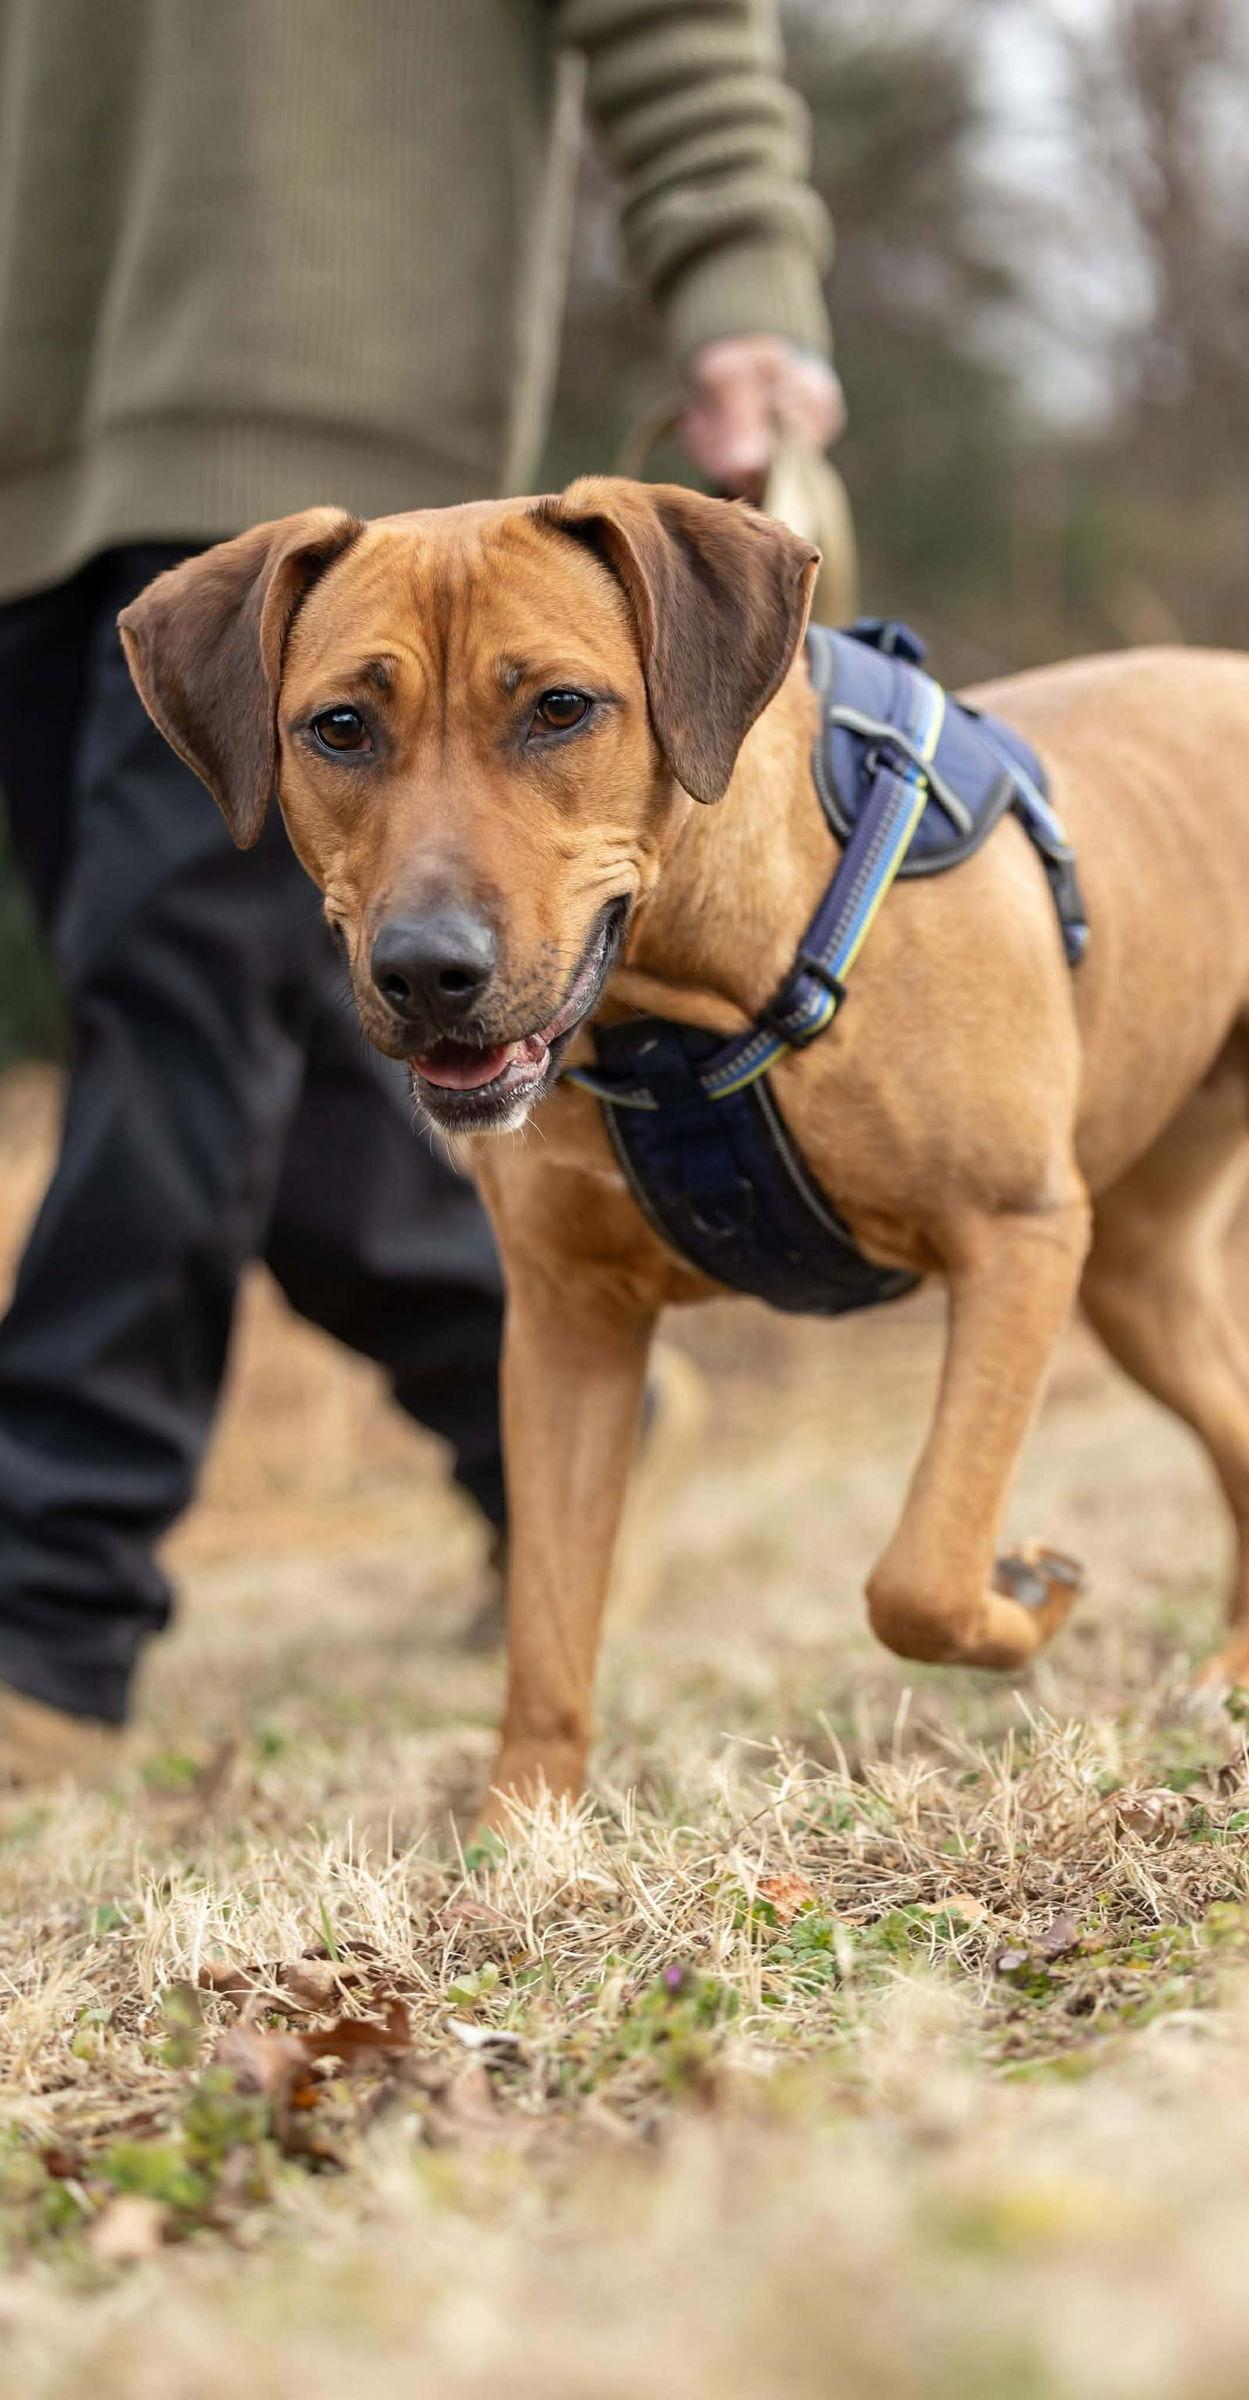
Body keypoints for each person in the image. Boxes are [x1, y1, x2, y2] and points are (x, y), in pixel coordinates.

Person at [0, 0, 843, 1782]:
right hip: (26, 443)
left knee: (176, 1004)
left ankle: (44, 1630)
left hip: (310, 389)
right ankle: (519, 1382)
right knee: (262, 1035)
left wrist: (742, 276)